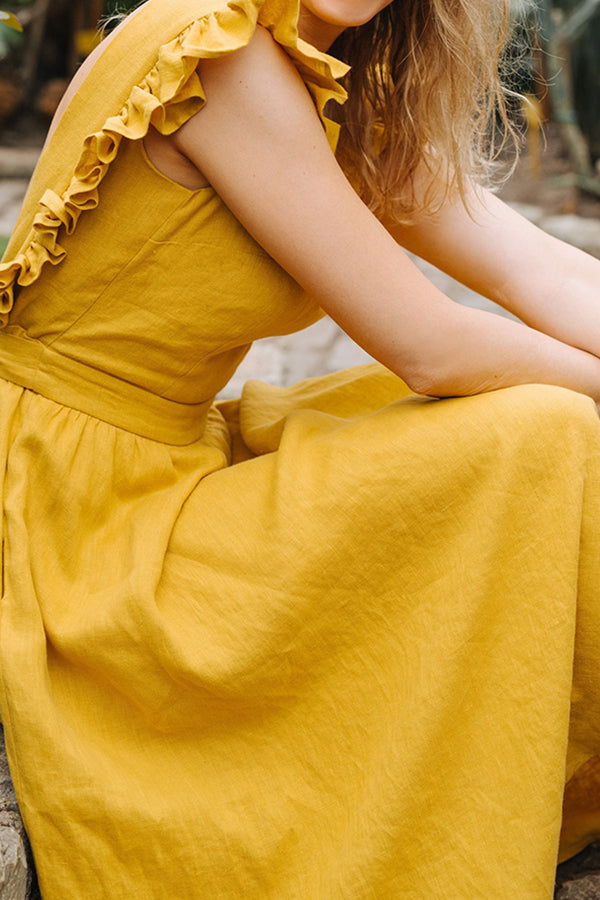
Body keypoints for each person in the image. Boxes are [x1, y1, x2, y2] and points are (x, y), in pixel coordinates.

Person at [1, 0, 600, 895]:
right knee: (539, 430)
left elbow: (541, 271)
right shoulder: (219, 55)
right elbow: (431, 347)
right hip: (68, 505)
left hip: (171, 464)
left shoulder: (331, 82)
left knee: (524, 425)